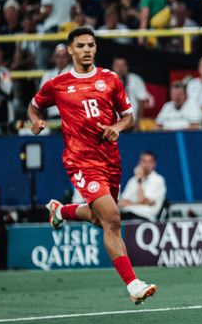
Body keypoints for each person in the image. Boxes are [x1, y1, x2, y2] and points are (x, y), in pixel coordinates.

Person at [27, 27, 156, 305]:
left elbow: (128, 116)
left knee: (100, 219)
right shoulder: (57, 84)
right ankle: (133, 284)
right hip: (81, 161)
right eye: (81, 45)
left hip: (110, 160)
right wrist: (35, 121)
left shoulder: (110, 79)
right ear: (70, 50)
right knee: (112, 219)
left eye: (91, 45)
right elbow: (34, 106)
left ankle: (61, 211)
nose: (87, 50)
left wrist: (117, 127)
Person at [119, 151, 167, 221]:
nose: (147, 165)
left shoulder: (158, 180)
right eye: (144, 161)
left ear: (154, 164)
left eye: (149, 162)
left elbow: (142, 199)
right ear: (139, 163)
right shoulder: (133, 180)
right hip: (127, 214)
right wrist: (138, 203)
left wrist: (139, 181)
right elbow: (121, 203)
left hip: (145, 216)